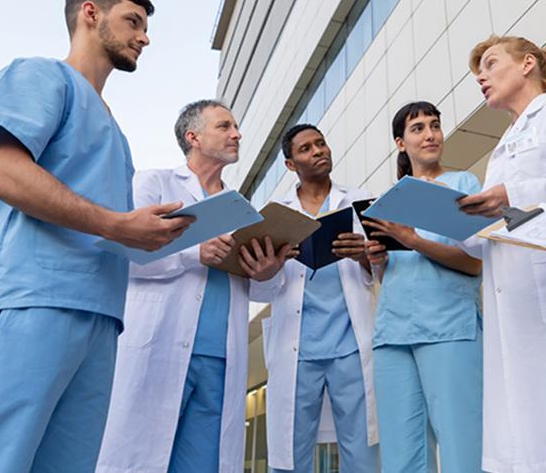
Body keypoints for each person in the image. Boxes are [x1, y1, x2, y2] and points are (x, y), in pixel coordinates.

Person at [0, 0, 194, 472]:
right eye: (133, 21)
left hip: (101, 317)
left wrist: (145, 232)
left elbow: (109, 225)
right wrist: (115, 224)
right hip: (30, 300)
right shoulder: (40, 77)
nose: (144, 36)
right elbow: (2, 173)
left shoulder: (115, 130)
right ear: (91, 14)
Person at [97, 100, 294, 472]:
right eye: (225, 126)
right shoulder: (154, 184)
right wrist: (192, 253)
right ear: (194, 137)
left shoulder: (240, 209)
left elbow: (261, 290)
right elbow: (123, 256)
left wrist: (267, 272)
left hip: (221, 358)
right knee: (137, 459)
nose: (236, 134)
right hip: (161, 346)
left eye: (236, 127)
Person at [456, 35, 546, 473]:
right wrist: (467, 227)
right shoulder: (502, 149)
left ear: (527, 64)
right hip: (516, 312)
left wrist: (515, 194)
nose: (480, 77)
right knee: (531, 448)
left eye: (489, 63)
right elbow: (502, 229)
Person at [361, 101, 483, 473]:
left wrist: (412, 240)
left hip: (449, 327)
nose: (430, 135)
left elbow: (474, 262)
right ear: (401, 142)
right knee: (400, 449)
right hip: (393, 331)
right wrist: (377, 258)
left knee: (463, 438)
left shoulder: (465, 186)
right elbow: (390, 276)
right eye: (418, 128)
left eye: (434, 126)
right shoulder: (389, 202)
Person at [253, 124, 381, 473]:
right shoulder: (275, 213)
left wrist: (364, 255)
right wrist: (271, 266)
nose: (319, 151)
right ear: (291, 164)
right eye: (307, 148)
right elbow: (261, 287)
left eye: (321, 144)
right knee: (291, 454)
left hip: (350, 345)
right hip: (299, 349)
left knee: (363, 450)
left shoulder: (357, 201)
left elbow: (381, 268)